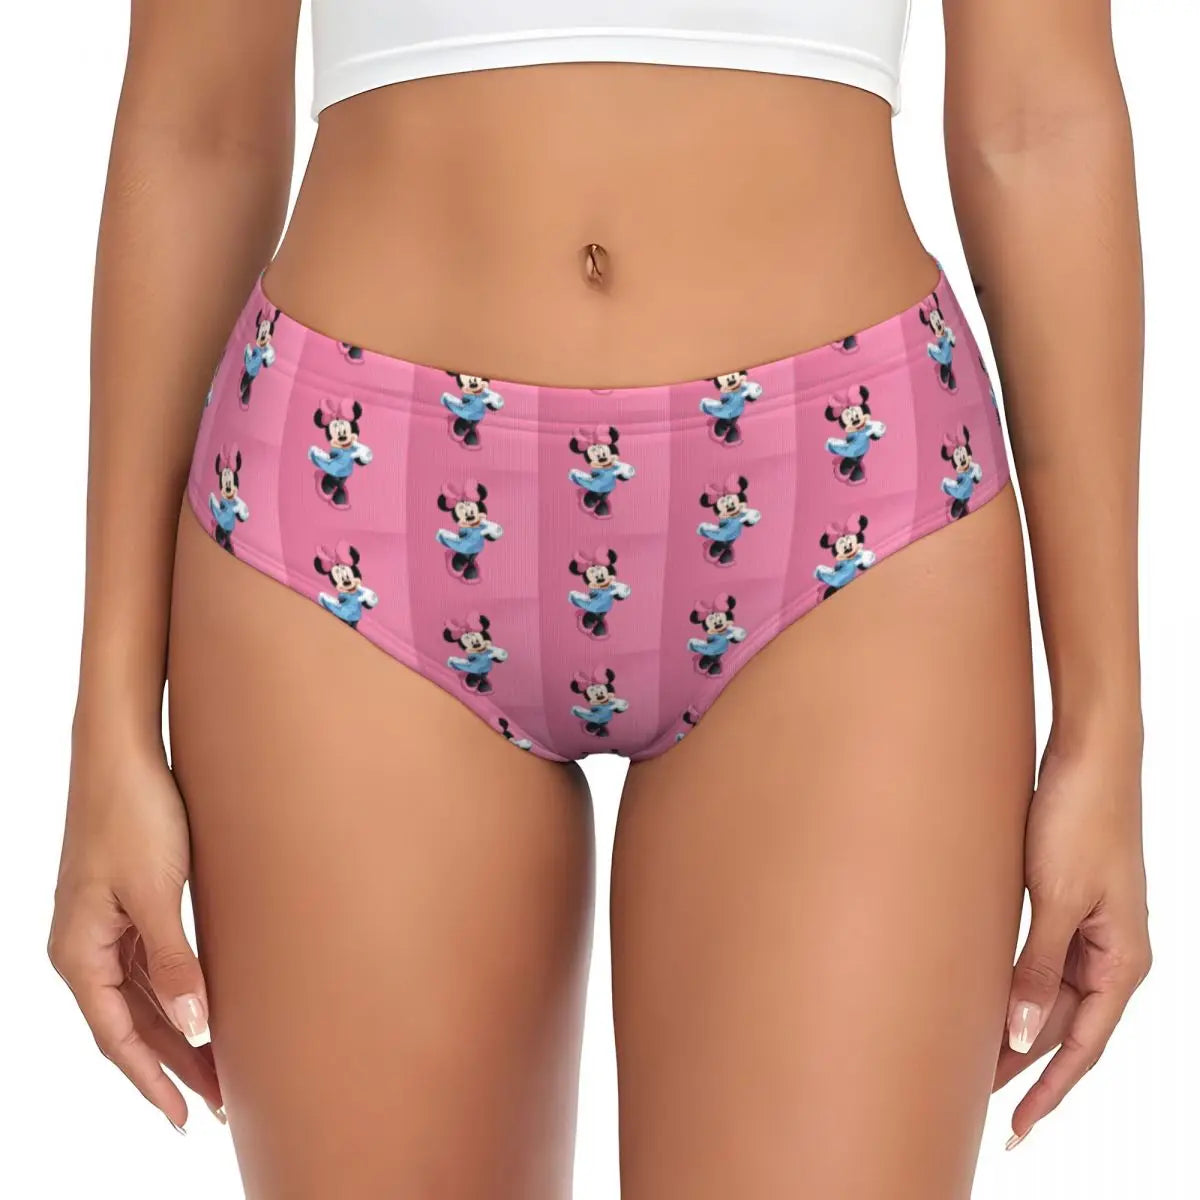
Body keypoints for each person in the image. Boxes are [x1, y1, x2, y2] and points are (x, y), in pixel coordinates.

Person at [49, 2, 1150, 1195]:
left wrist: (1105, 728)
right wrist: (109, 722)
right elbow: (198, 125)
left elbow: (1039, 119)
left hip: (849, 499)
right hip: (353, 493)